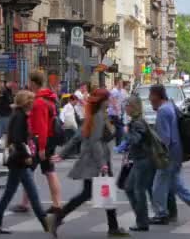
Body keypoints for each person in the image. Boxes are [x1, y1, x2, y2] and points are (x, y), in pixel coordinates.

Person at [46, 89, 129, 238]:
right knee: (97, 193)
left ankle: (113, 227)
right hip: (97, 161)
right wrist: (102, 163)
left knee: (93, 193)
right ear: (103, 101)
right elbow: (95, 141)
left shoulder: (93, 115)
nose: (110, 101)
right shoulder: (97, 116)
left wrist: (62, 154)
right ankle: (58, 218)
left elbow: (78, 136)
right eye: (108, 99)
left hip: (94, 160)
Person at [149, 84, 190, 225]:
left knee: (158, 185)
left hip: (168, 154)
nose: (149, 98)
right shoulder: (170, 106)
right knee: (176, 184)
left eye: (151, 95)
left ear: (156, 96)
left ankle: (161, 213)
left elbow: (165, 138)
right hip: (177, 152)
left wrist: (158, 154)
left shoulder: (163, 111)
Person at [0, 91, 48, 234]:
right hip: (20, 160)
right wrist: (26, 155)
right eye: (31, 100)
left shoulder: (19, 115)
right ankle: (46, 223)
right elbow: (17, 140)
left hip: (17, 160)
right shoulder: (20, 116)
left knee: (10, 193)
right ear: (26, 102)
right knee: (32, 194)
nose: (33, 103)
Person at [11, 72, 63, 215]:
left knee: (29, 171)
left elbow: (42, 126)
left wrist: (41, 147)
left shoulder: (39, 101)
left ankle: (26, 203)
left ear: (33, 83)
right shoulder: (50, 98)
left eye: (28, 81)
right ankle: (56, 204)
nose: (28, 84)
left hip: (40, 141)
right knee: (48, 171)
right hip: (48, 140)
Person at [123, 96, 154, 232]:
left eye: (127, 105)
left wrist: (126, 132)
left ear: (133, 107)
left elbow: (135, 140)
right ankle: (142, 219)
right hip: (139, 159)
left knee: (138, 190)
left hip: (143, 161)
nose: (125, 108)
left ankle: (142, 222)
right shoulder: (136, 121)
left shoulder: (137, 123)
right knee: (130, 188)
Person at [109, 79, 125, 146]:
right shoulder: (114, 91)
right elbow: (114, 102)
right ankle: (118, 144)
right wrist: (118, 113)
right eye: (121, 83)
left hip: (118, 113)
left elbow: (122, 101)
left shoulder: (120, 91)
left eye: (122, 83)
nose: (122, 85)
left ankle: (115, 142)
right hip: (114, 113)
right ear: (117, 83)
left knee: (118, 129)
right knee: (120, 129)